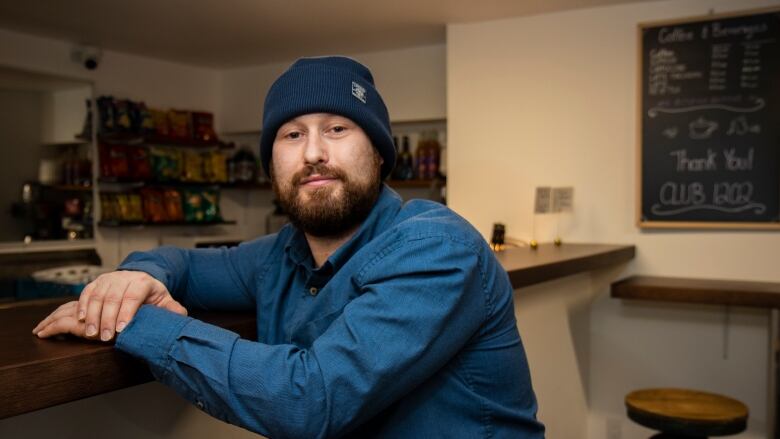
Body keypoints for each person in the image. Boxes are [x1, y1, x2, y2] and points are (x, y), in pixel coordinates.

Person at [32, 56, 545, 438]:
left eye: (338, 129)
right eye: (292, 135)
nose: (314, 153)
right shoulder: (281, 253)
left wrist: (130, 320)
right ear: (273, 163)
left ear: (381, 155)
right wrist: (136, 275)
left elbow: (311, 401)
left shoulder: (436, 249)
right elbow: (183, 263)